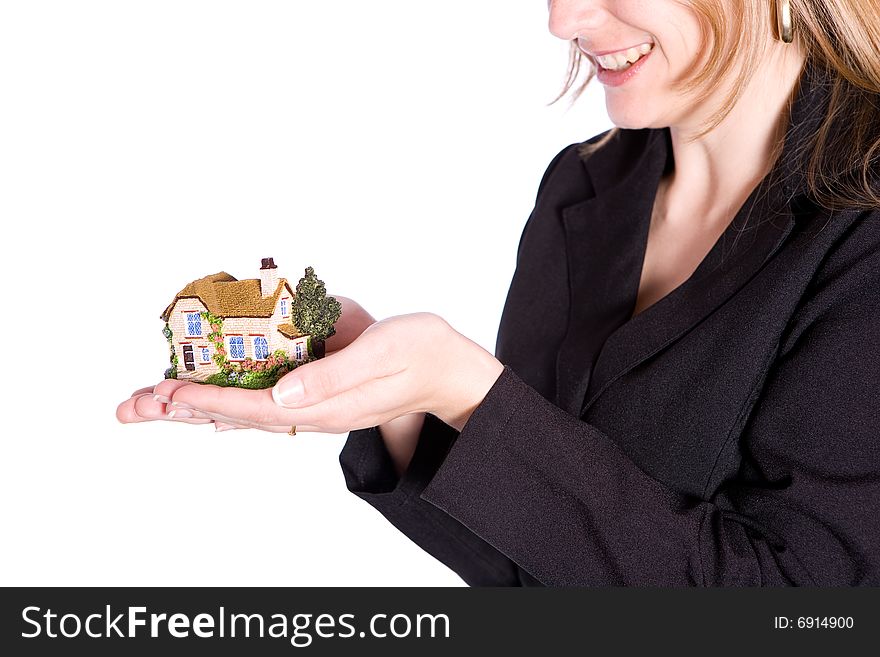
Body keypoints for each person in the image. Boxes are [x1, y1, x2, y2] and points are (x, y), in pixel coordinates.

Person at [117, 0, 880, 585]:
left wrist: (471, 394)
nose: (562, 20)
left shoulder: (865, 233)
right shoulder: (585, 188)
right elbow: (538, 572)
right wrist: (409, 406)